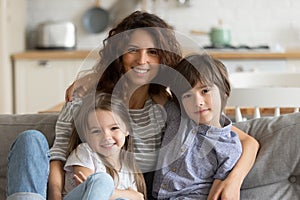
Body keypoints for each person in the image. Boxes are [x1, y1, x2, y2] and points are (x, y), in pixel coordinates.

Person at [7, 11, 259, 200]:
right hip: (71, 191)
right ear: (118, 55)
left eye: (152, 52)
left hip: (116, 194)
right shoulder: (86, 97)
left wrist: (233, 180)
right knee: (30, 138)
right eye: (132, 50)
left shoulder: (167, 107)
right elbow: (58, 154)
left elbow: (247, 141)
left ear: (164, 58)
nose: (142, 60)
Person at [153, 54, 243, 199]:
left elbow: (217, 194)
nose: (197, 101)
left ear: (224, 93)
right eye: (187, 95)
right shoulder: (177, 115)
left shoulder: (230, 147)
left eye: (205, 91)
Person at [62, 92, 146, 200]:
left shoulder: (130, 167)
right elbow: (95, 189)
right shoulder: (85, 152)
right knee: (102, 180)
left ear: (127, 129)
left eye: (114, 128)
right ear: (86, 135)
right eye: (96, 131)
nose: (106, 137)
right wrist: (131, 194)